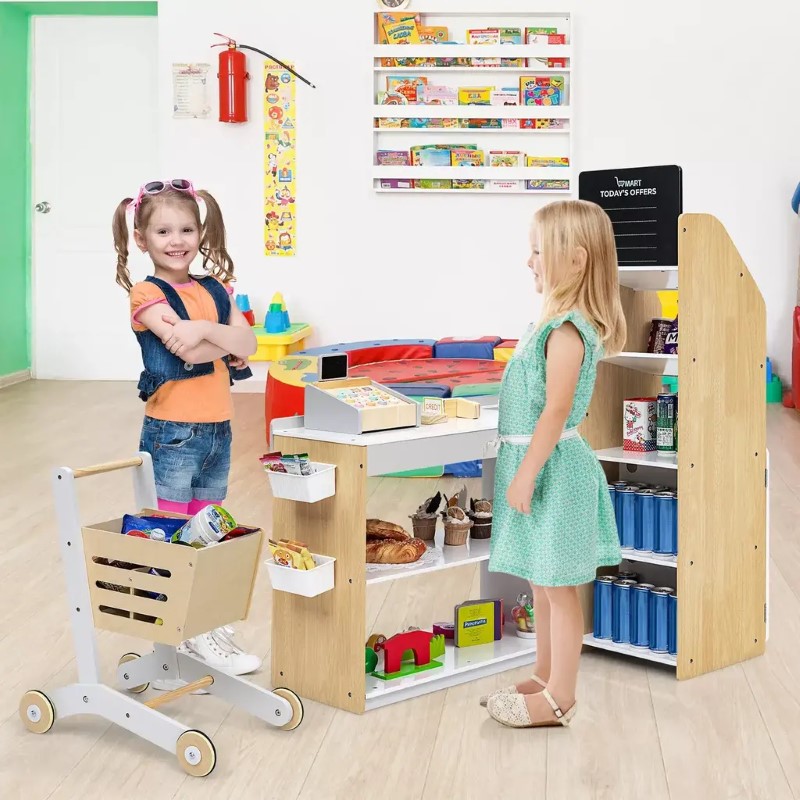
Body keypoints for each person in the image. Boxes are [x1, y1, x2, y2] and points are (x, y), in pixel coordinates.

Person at [481, 199, 626, 728]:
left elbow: (556, 409)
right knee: (541, 582)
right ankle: (544, 675)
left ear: (577, 260)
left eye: (539, 251)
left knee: (560, 588)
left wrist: (525, 474)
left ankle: (561, 696)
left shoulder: (567, 330)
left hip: (555, 473)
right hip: (541, 466)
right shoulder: (545, 325)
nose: (530, 261)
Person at [112, 179, 260, 688]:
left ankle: (199, 625)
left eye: (187, 230)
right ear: (142, 238)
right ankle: (173, 638)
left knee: (207, 533)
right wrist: (221, 339)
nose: (177, 240)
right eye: (163, 231)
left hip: (218, 430)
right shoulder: (147, 293)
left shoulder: (214, 287)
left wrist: (206, 330)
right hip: (172, 433)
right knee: (169, 537)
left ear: (201, 233)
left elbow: (250, 343)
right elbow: (187, 350)